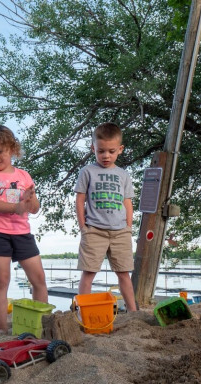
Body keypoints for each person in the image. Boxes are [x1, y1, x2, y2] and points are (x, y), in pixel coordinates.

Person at [0, 124, 48, 332]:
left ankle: (41, 322)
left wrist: (29, 200)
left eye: (0, 151)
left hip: (22, 233)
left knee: (39, 279)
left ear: (12, 150)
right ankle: (1, 329)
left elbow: (34, 208)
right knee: (2, 280)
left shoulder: (24, 176)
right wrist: (16, 207)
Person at [74, 122, 138, 312]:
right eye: (101, 151)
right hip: (94, 231)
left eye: (111, 151)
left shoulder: (123, 174)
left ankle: (133, 311)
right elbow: (80, 200)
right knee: (89, 272)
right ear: (93, 148)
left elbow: (127, 202)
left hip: (120, 232)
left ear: (120, 149)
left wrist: (128, 226)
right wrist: (83, 227)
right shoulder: (87, 172)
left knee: (124, 273)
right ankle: (82, 310)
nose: (106, 156)